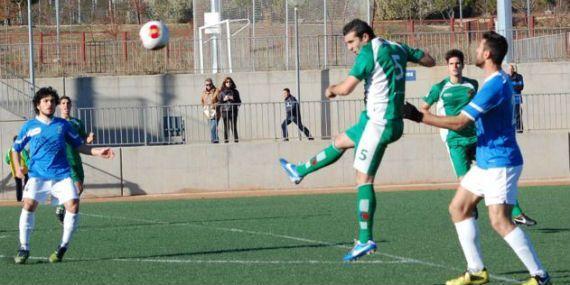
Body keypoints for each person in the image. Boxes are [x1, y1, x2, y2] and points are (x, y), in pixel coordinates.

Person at [279, 19, 435, 261]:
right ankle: (299, 171)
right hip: (377, 119)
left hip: (379, 124)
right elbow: (429, 60)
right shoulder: (397, 47)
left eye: (352, 41)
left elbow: (345, 89)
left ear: (365, 37)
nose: (350, 47)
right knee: (340, 141)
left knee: (363, 180)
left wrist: (330, 89)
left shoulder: (368, 52)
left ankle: (365, 240)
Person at [402, 31, 550, 285]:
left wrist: (417, 116)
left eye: (479, 46)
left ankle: (540, 276)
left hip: (500, 162)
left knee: (499, 220)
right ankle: (477, 271)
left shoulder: (494, 85)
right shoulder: (493, 81)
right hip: (486, 162)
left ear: (487, 54)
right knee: (458, 208)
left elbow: (460, 123)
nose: (475, 50)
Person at [422, 49, 537, 226]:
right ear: (447, 66)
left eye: (458, 63)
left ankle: (516, 213)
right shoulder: (439, 88)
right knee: (465, 180)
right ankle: (472, 206)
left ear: (463, 65)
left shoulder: (472, 84)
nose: (455, 66)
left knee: (495, 170)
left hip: (476, 137)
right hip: (454, 141)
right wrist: (441, 124)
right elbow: (424, 109)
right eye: (452, 64)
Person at [12, 87, 114, 265]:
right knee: (28, 204)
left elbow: (79, 145)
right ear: (38, 105)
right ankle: (24, 247)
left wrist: (98, 152)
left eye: (52, 101)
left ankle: (62, 248)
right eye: (45, 101)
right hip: (37, 176)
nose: (50, 104)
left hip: (61, 175)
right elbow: (15, 149)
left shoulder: (62, 125)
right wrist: (18, 167)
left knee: (73, 205)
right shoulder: (30, 126)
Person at [54, 95, 95, 224]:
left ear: (71, 106)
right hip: (64, 161)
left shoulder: (77, 122)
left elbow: (83, 140)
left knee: (80, 188)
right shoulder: (55, 123)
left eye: (68, 103)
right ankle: (66, 210)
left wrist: (89, 139)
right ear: (59, 106)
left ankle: (62, 207)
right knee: (77, 187)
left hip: (76, 159)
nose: (65, 106)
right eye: (63, 103)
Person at [5, 135, 29, 202]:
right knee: (27, 185)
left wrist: (13, 164)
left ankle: (19, 200)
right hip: (25, 171)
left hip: (15, 171)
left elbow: (7, 161)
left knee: (18, 186)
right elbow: (27, 160)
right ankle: (26, 198)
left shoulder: (9, 151)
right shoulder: (23, 150)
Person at [218, 77, 241, 143]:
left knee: (234, 127)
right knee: (226, 127)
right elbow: (219, 103)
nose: (228, 83)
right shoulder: (221, 92)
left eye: (230, 82)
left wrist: (233, 99)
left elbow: (239, 102)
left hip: (233, 111)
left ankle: (236, 140)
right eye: (227, 82)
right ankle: (226, 141)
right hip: (225, 111)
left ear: (232, 83)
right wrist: (223, 100)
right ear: (224, 83)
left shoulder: (235, 91)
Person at [201, 78, 220, 143]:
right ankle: (216, 139)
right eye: (206, 85)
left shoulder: (217, 91)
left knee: (213, 128)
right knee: (212, 128)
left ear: (212, 84)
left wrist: (214, 105)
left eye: (209, 84)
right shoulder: (204, 92)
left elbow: (220, 101)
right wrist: (204, 108)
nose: (208, 86)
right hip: (208, 112)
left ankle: (213, 140)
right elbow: (202, 101)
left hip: (215, 112)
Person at [508, 64, 524, 133]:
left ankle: (518, 129)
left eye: (511, 69)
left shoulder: (518, 76)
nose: (509, 70)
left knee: (517, 113)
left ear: (513, 69)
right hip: (509, 99)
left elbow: (521, 86)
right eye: (509, 69)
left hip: (516, 98)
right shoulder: (507, 77)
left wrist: (512, 85)